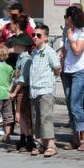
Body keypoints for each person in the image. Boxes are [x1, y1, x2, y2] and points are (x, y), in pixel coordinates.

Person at [61, 5, 84, 151]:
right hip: (67, 71)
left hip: (80, 71)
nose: (65, 20)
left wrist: (70, 37)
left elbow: (77, 51)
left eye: (66, 17)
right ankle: (75, 138)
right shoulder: (69, 31)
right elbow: (65, 51)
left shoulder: (83, 33)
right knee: (70, 106)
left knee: (76, 105)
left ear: (71, 18)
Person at [29, 24, 61, 158]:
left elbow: (57, 68)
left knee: (45, 117)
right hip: (34, 90)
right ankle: (40, 144)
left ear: (46, 38)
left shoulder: (49, 51)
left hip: (46, 90)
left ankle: (51, 145)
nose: (35, 37)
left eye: (39, 35)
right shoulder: (34, 52)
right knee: (36, 118)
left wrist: (50, 79)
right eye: (33, 35)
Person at [9, 34, 34, 153]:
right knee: (22, 115)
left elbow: (23, 78)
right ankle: (23, 139)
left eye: (16, 44)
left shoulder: (26, 59)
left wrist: (15, 92)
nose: (14, 46)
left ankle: (29, 140)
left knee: (22, 115)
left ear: (22, 46)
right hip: (18, 88)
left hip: (23, 89)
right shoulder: (20, 57)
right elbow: (16, 75)